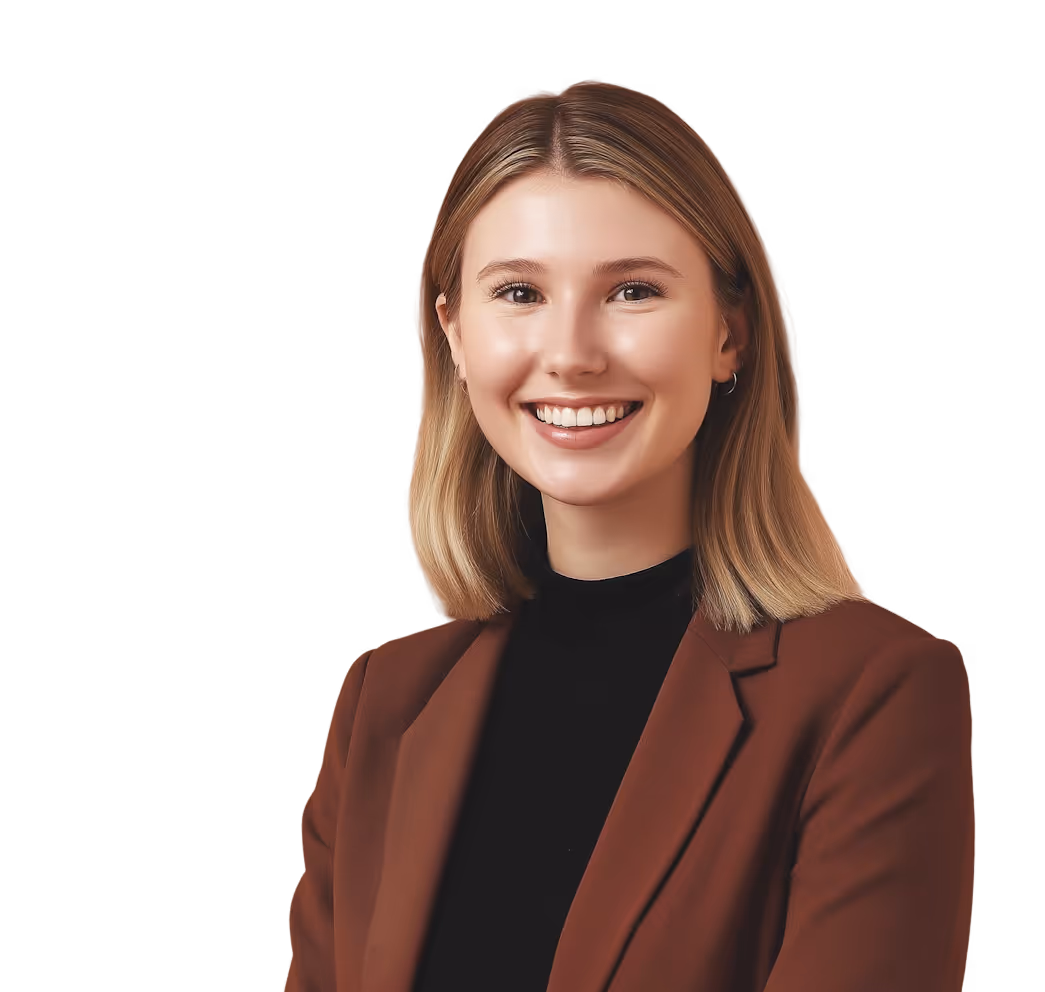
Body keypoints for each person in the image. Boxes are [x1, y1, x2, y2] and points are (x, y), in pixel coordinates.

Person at [285, 74, 975, 992]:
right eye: (520, 292)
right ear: (453, 335)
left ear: (730, 333)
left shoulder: (873, 692)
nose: (572, 354)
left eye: (633, 291)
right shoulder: (381, 702)